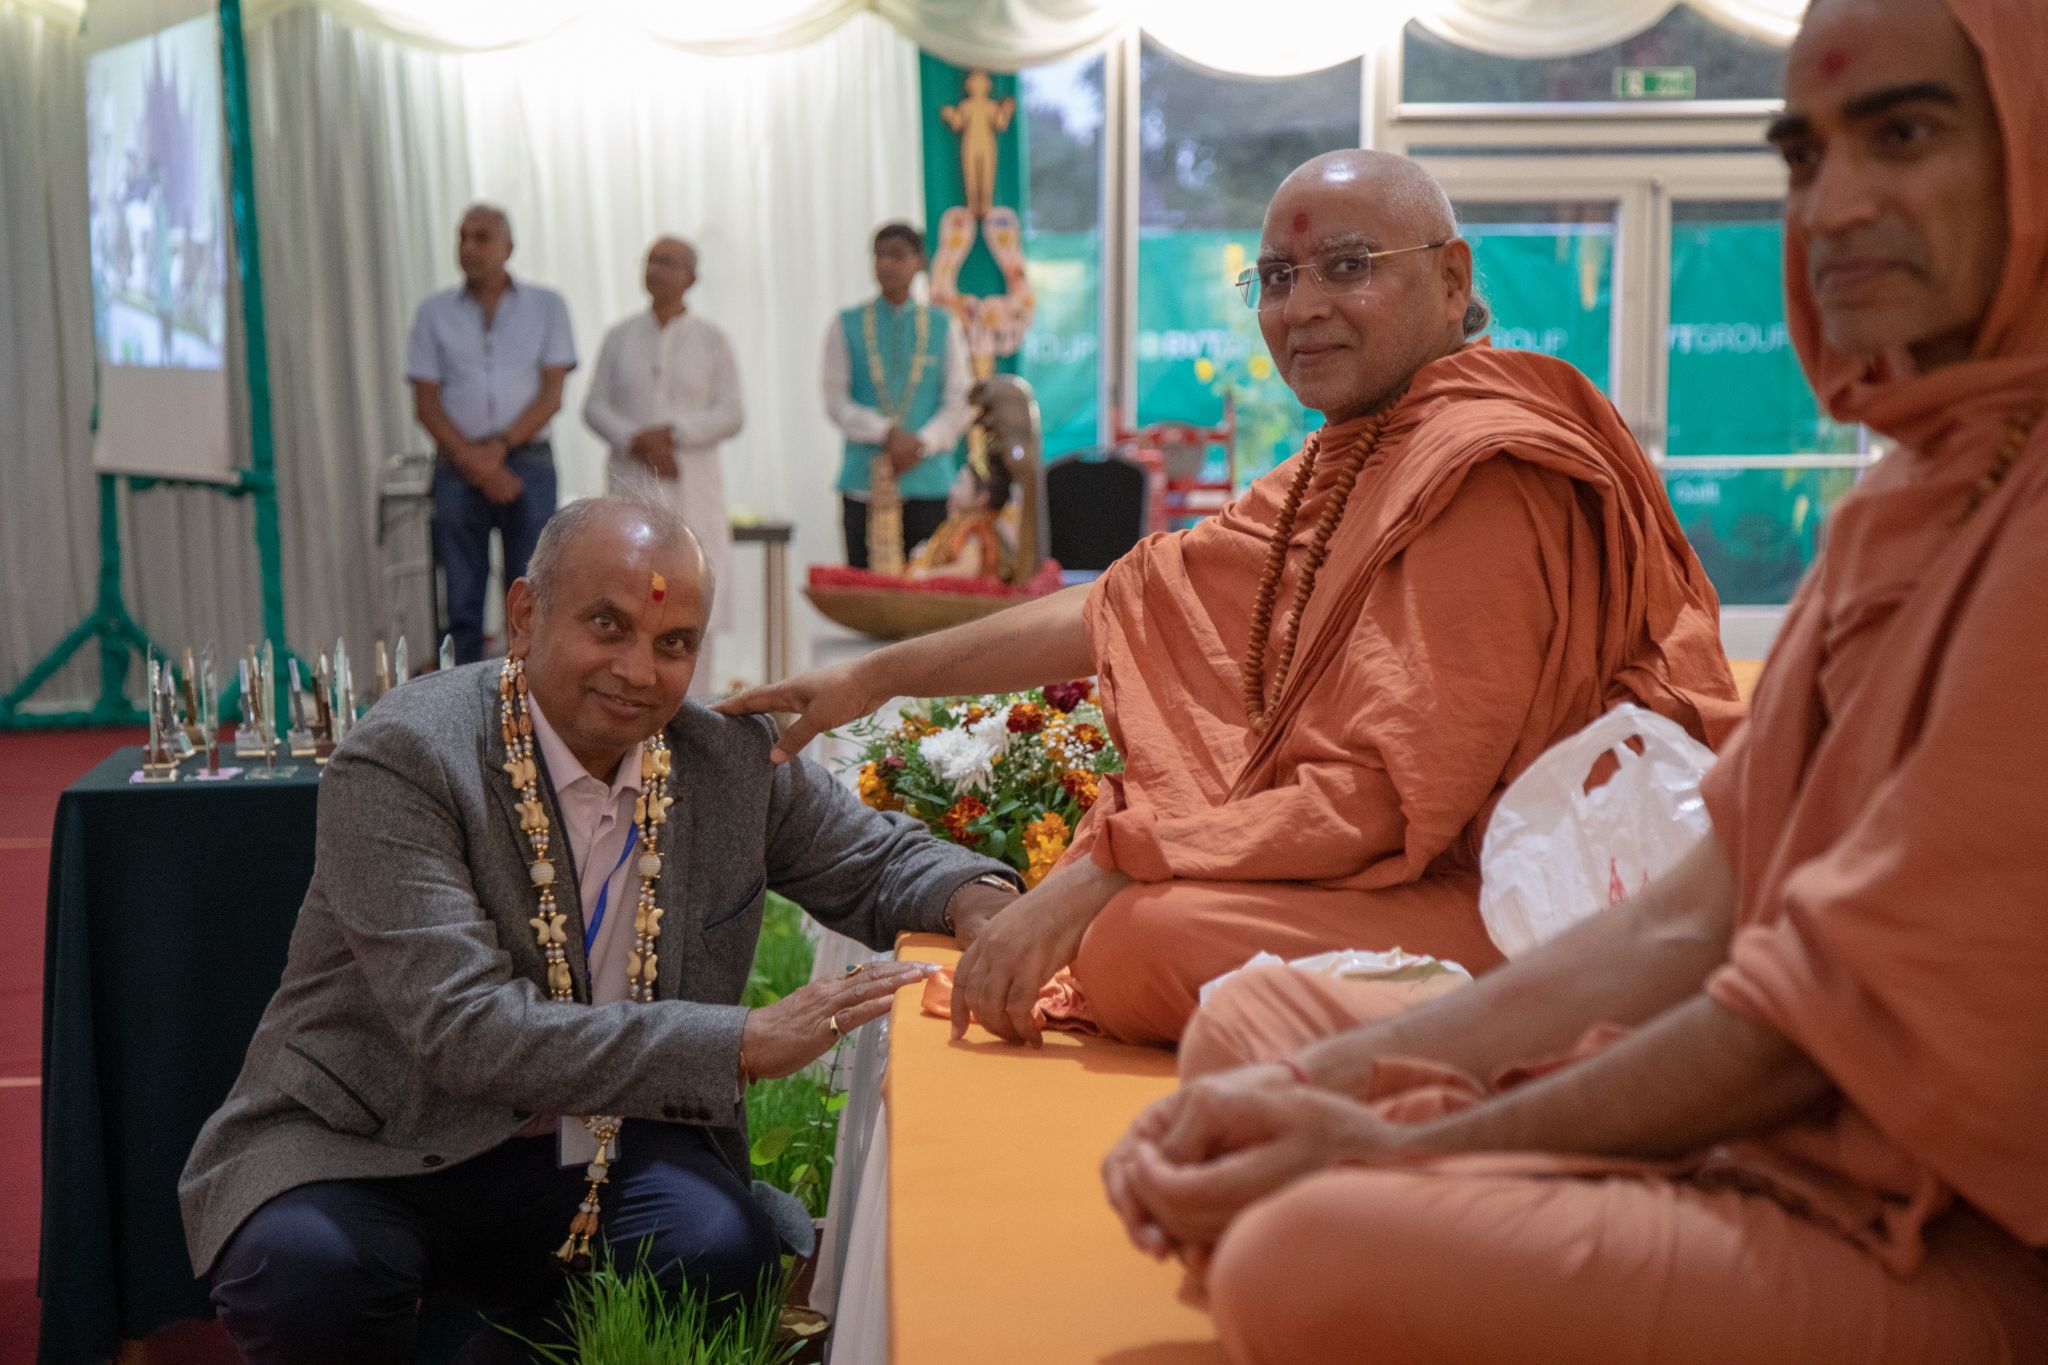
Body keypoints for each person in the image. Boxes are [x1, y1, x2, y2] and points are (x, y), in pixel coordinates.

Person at [1102, 1, 2048, 1360]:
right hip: (1677, 1006)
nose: (1835, 206)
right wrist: (1335, 1090)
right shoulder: (1907, 501)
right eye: (1804, 155)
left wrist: (1399, 1141)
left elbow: (1386, 795)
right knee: (1255, 1032)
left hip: (1925, 1207)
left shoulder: (1489, 454)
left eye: (1902, 135)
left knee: (1299, 1236)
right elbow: (1697, 919)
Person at [725, 152, 1741, 1046]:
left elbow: (1385, 792)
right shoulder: (1345, 457)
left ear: (1450, 277)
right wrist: (870, 677)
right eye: (1276, 278)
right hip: (1403, 870)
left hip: (1529, 894)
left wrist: (1110, 873)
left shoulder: (1483, 467)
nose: (1300, 309)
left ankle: (1575, 1021)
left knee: (1137, 941)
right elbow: (1131, 603)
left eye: (1348, 267)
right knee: (1129, 911)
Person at [180, 492, 1023, 1363]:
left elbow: (878, 862)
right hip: (373, 1139)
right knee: (310, 1270)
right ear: (524, 615)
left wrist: (983, 901)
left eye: (673, 644)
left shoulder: (724, 760)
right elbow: (465, 1030)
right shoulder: (406, 758)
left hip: (596, 1146)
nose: (638, 669)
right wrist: (741, 1040)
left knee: (717, 1251)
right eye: (607, 625)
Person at [408, 203, 577, 664]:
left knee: (533, 594)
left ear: (509, 246)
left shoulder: (547, 306)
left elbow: (552, 395)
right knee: (461, 597)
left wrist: (497, 451)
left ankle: (529, 703)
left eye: (482, 237)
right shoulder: (433, 312)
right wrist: (476, 462)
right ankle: (461, 707)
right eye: (463, 237)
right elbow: (425, 404)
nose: (469, 248)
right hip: (457, 465)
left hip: (528, 462)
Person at [584, 235, 745, 697]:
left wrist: (672, 433)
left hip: (692, 487)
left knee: (694, 588)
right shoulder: (620, 337)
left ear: (691, 277)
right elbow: (594, 407)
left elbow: (732, 413)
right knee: (625, 590)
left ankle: (694, 708)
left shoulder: (712, 340)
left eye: (669, 263)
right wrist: (636, 440)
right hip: (631, 480)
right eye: (651, 260)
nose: (657, 270)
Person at [821, 222, 973, 569]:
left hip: (929, 480)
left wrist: (922, 442)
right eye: (879, 255)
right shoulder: (846, 324)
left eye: (897, 255)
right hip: (863, 480)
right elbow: (835, 401)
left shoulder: (942, 324)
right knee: (865, 597)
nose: (886, 264)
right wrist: (886, 434)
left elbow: (960, 400)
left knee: (928, 598)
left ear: (919, 261)